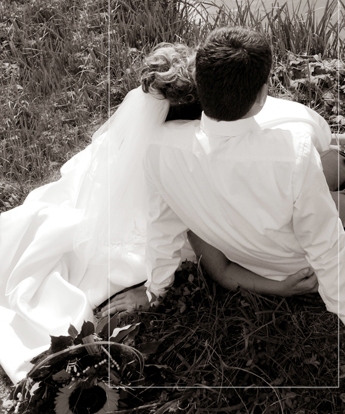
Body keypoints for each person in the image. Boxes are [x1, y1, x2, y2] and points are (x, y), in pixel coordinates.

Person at [104, 27, 345, 379]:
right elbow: (329, 249)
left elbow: (162, 227)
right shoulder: (291, 150)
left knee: (335, 164)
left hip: (262, 239)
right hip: (300, 262)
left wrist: (156, 290)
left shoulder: (158, 149)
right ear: (262, 95)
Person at [0, 43, 319, 383]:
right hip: (163, 210)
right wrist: (155, 290)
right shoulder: (181, 173)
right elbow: (169, 236)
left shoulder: (155, 144)